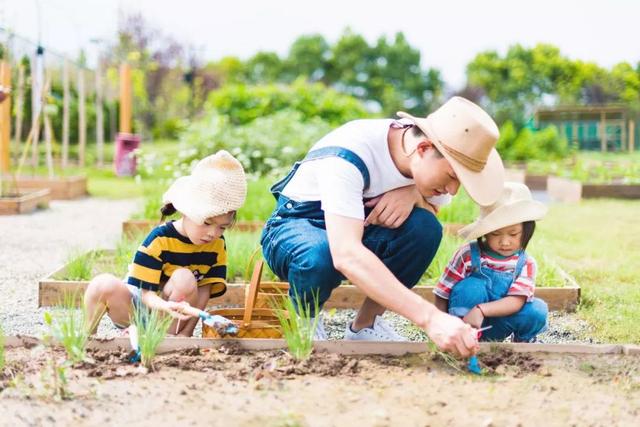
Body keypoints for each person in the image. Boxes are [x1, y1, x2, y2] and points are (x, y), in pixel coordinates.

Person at [261, 96, 505, 357]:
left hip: (361, 226)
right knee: (321, 254)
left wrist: (413, 193)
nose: (452, 191)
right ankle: (305, 321)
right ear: (423, 149)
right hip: (297, 226)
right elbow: (346, 254)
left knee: (425, 229)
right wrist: (431, 318)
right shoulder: (350, 154)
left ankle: (365, 326)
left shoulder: (430, 165)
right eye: (452, 177)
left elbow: (433, 208)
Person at [84, 150, 247, 337]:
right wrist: (165, 305)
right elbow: (145, 294)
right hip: (138, 306)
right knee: (102, 284)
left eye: (222, 227)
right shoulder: (160, 239)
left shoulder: (216, 245)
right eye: (207, 223)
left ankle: (167, 337)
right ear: (186, 212)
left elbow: (204, 292)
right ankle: (88, 339)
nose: (213, 233)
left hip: (170, 319)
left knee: (185, 278)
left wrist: (186, 333)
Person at [434, 182, 549, 342]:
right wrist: (440, 327)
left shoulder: (525, 263)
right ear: (486, 233)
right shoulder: (467, 254)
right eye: (496, 234)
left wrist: (481, 310)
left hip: (501, 321)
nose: (505, 242)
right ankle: (461, 338)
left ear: (526, 231)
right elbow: (443, 292)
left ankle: (523, 343)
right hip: (466, 319)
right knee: (471, 286)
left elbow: (516, 301)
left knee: (537, 309)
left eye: (513, 234)